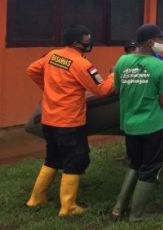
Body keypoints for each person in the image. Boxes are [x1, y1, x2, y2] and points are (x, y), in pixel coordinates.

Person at [25, 25, 114, 216]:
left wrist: (49, 88)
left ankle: (36, 198)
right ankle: (68, 207)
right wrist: (114, 74)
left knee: (53, 158)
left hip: (49, 119)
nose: (89, 43)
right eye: (87, 40)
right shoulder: (82, 64)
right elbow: (103, 90)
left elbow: (32, 70)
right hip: (70, 122)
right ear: (76, 43)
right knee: (76, 158)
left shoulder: (52, 56)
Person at [111, 24, 163, 222]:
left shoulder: (122, 62)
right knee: (151, 167)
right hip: (154, 125)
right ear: (148, 42)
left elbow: (119, 89)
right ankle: (137, 215)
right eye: (160, 39)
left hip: (130, 124)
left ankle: (118, 208)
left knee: (135, 163)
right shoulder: (161, 67)